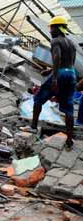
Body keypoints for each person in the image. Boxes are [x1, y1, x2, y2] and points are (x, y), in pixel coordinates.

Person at [32, 16, 76, 148]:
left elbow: (57, 57)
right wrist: (51, 70)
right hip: (71, 74)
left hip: (60, 74)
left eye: (51, 28)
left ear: (57, 28)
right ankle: (69, 139)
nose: (50, 31)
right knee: (68, 108)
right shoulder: (71, 42)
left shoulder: (55, 41)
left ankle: (33, 126)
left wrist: (55, 78)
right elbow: (69, 62)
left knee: (38, 99)